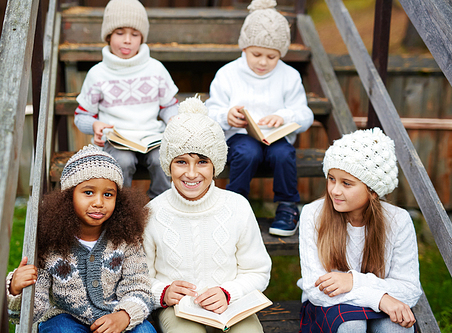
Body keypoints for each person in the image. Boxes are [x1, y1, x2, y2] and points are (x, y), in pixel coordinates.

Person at [144, 97, 272, 333]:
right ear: (168, 165)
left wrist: (228, 292)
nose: (191, 173)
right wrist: (162, 292)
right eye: (181, 161)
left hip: (231, 304)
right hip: (179, 309)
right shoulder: (153, 213)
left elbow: (257, 270)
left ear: (215, 165)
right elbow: (140, 277)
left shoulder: (237, 206)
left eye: (202, 161)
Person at [5, 145, 156, 333]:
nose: (99, 203)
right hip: (66, 318)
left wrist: (123, 316)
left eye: (108, 194)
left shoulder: (126, 239)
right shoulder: (50, 242)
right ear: (69, 196)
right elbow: (31, 313)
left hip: (114, 314)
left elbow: (139, 288)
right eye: (88, 192)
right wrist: (16, 290)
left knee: (145, 331)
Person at [205, 0, 314, 237]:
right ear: (244, 48)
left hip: (275, 139)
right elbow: (210, 111)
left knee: (284, 154)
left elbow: (305, 114)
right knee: (247, 153)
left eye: (272, 57)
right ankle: (236, 205)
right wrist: (227, 116)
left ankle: (287, 206)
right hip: (240, 138)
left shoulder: (289, 76)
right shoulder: (228, 74)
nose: (263, 62)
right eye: (256, 54)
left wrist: (284, 117)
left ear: (280, 54)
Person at [297, 128, 422, 333]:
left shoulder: (398, 221)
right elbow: (316, 289)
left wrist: (353, 281)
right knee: (351, 326)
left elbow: (409, 289)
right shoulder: (313, 214)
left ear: (373, 191)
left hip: (384, 301)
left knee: (396, 327)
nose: (335, 191)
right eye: (331, 178)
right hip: (330, 304)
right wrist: (379, 298)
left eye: (347, 183)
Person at [74, 0, 179, 199]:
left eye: (135, 34)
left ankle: (161, 202)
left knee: (161, 160)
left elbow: (169, 105)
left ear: (142, 37)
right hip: (117, 139)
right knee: (123, 161)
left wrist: (172, 118)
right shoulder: (98, 74)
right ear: (108, 36)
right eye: (120, 33)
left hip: (151, 137)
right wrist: (95, 124)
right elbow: (81, 115)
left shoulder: (155, 69)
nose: (127, 40)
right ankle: (123, 206)